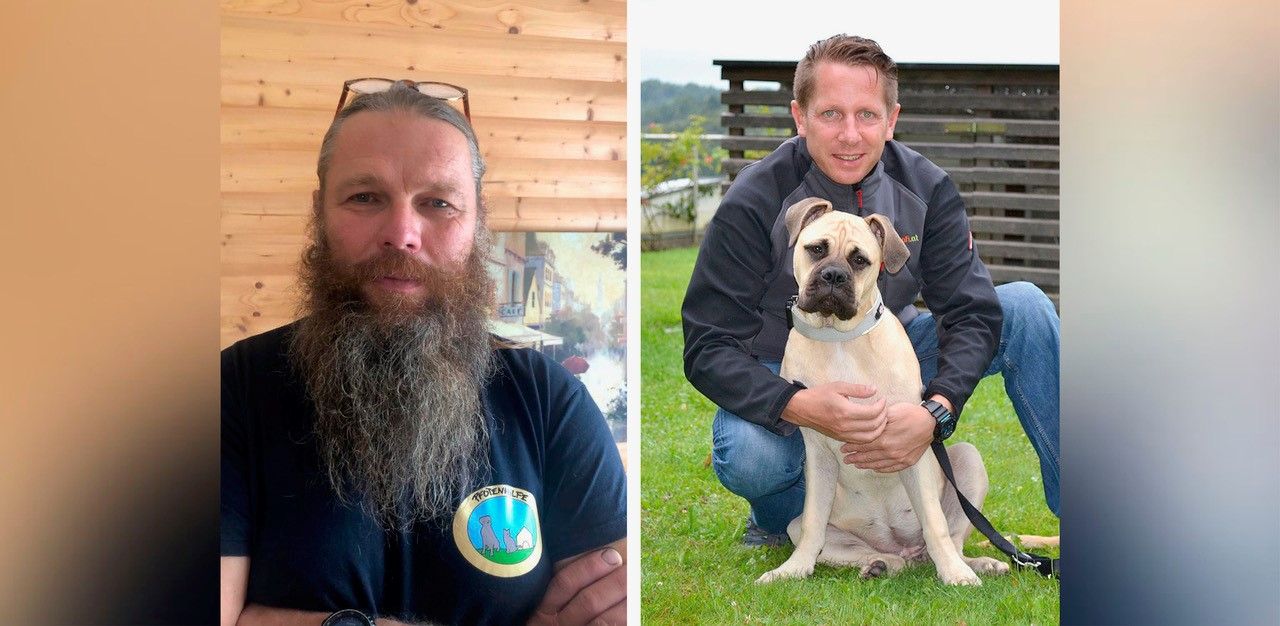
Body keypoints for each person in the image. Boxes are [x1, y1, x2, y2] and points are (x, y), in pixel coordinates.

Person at [220, 81, 627, 626]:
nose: (402, 233)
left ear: (477, 219)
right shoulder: (232, 389)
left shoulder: (546, 398)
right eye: (365, 197)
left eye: (437, 203)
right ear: (319, 212)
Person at [682, 34, 1059, 546]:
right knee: (751, 454)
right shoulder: (754, 200)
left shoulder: (927, 189)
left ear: (891, 119)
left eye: (866, 115)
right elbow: (707, 345)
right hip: (782, 364)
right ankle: (788, 520)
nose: (850, 135)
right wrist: (796, 403)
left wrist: (936, 410)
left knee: (1026, 309)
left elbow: (971, 313)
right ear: (799, 116)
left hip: (888, 353)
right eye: (830, 114)